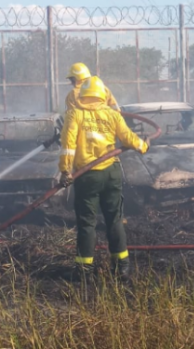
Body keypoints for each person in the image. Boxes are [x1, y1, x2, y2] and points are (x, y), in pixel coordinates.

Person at [59, 76, 147, 279]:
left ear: (82, 95)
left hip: (87, 176)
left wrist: (65, 171)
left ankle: (84, 271)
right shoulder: (112, 114)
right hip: (111, 172)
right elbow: (128, 137)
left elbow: (68, 145)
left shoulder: (75, 114)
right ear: (102, 95)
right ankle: (122, 266)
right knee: (114, 219)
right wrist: (143, 145)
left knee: (87, 223)